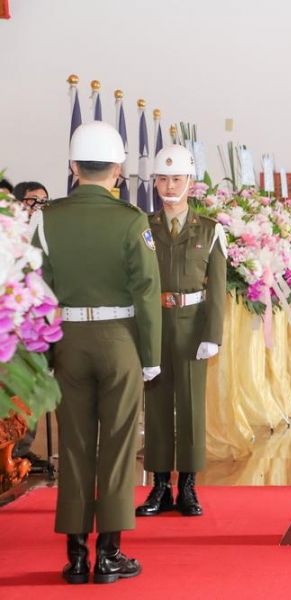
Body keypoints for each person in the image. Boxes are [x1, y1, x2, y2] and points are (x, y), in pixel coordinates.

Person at [32, 121, 162, 584]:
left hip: (67, 340)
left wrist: (42, 354)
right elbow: (147, 291)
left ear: (72, 166)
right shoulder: (131, 220)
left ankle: (75, 556)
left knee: (74, 447)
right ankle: (110, 553)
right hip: (119, 340)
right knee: (119, 447)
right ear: (119, 169)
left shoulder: (46, 218)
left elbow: (37, 290)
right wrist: (151, 356)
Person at [135, 145, 227, 518]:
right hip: (154, 324)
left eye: (177, 178)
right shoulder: (143, 227)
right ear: (154, 182)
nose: (169, 186)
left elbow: (217, 287)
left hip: (191, 327)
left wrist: (213, 334)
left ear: (191, 182)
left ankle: (188, 485)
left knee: (190, 405)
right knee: (156, 405)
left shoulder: (209, 229)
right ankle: (159, 485)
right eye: (163, 178)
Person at [11, 180, 52, 473]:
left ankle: (23, 450)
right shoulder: (7, 236)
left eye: (43, 202)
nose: (38, 207)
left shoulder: (46, 239)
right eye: (32, 201)